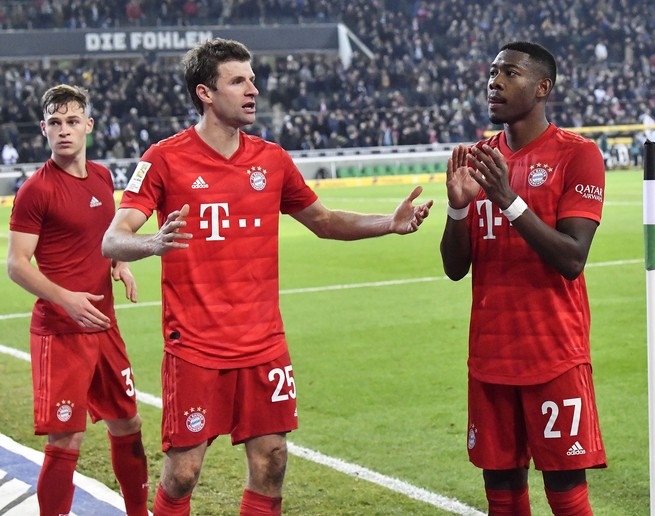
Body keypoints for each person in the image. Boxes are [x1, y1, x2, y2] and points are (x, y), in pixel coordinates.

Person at [101, 38, 432, 514]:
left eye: (253, 79)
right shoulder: (164, 158)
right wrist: (151, 243)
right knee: (183, 473)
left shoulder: (271, 159)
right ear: (205, 94)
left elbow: (323, 221)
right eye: (238, 81)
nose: (253, 90)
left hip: (263, 343)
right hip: (195, 345)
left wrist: (389, 223)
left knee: (272, 461)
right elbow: (113, 239)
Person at [440, 41, 606, 515]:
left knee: (566, 497)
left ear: (542, 88)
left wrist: (508, 198)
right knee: (503, 496)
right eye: (492, 73)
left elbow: (573, 258)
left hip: (553, 354)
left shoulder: (578, 155)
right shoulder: (479, 158)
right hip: (491, 357)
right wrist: (457, 207)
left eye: (509, 73)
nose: (494, 82)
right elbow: (455, 269)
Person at [6, 84, 149, 516]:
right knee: (66, 439)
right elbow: (16, 264)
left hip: (104, 325)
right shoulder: (36, 191)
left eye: (72, 121)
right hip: (61, 330)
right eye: (55, 123)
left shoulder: (104, 177)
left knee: (129, 423)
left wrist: (118, 264)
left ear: (88, 125)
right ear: (43, 129)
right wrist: (65, 298)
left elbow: (104, 238)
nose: (64, 130)